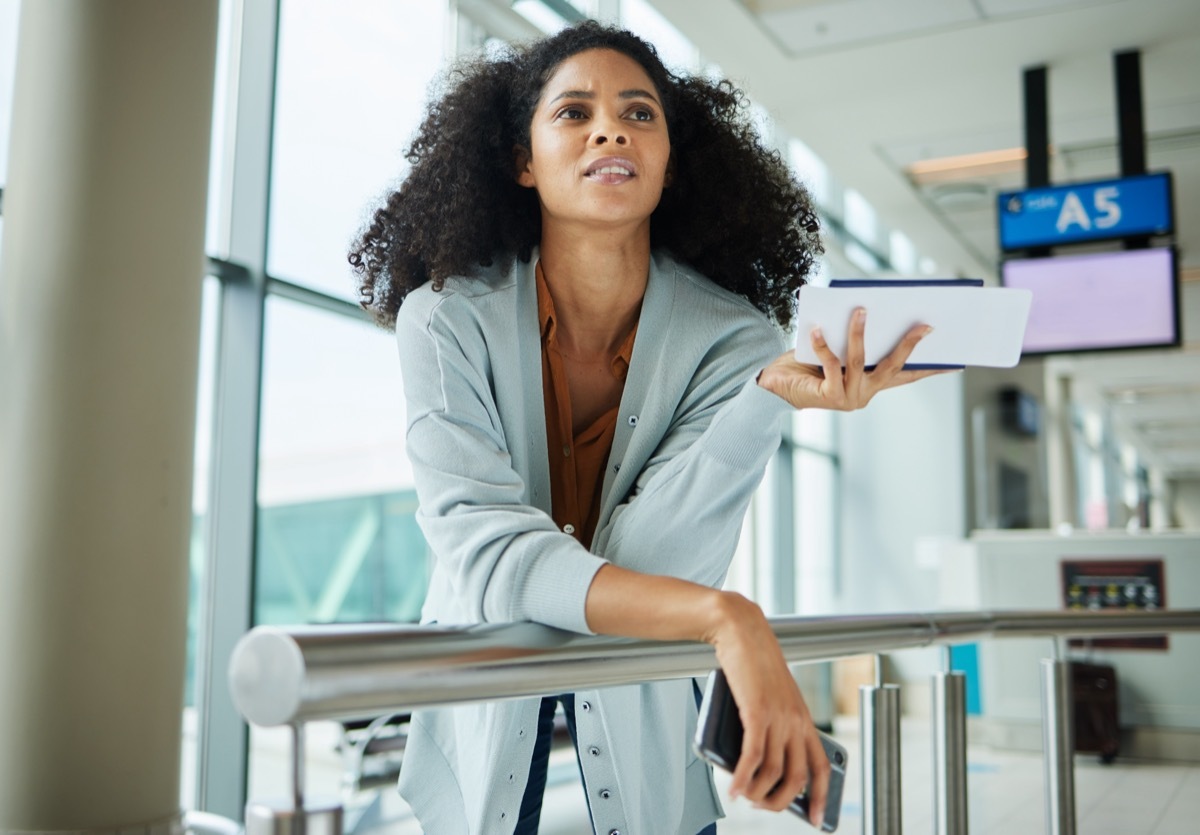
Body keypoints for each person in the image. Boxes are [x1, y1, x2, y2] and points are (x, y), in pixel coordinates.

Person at [349, 20, 943, 835]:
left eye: (639, 113)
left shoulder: (736, 341)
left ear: (669, 163)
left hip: (648, 734)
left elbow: (657, 557)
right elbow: (487, 554)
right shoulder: (445, 318)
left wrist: (763, 400)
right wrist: (726, 616)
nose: (611, 130)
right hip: (480, 715)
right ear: (523, 162)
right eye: (574, 112)